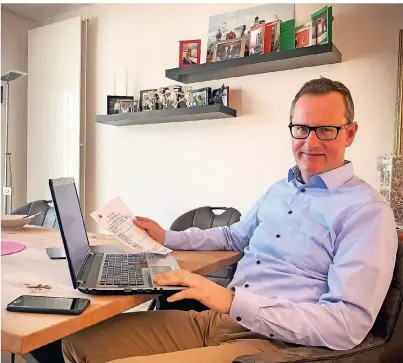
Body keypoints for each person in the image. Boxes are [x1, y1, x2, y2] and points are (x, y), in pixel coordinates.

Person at [62, 77, 398, 363]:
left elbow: (347, 325)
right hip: (218, 320)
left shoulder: (366, 212)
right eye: (301, 128)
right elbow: (234, 236)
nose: (309, 142)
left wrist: (233, 301)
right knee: (77, 342)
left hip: (274, 343)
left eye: (325, 130)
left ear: (349, 133)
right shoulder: (280, 189)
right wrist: (167, 236)